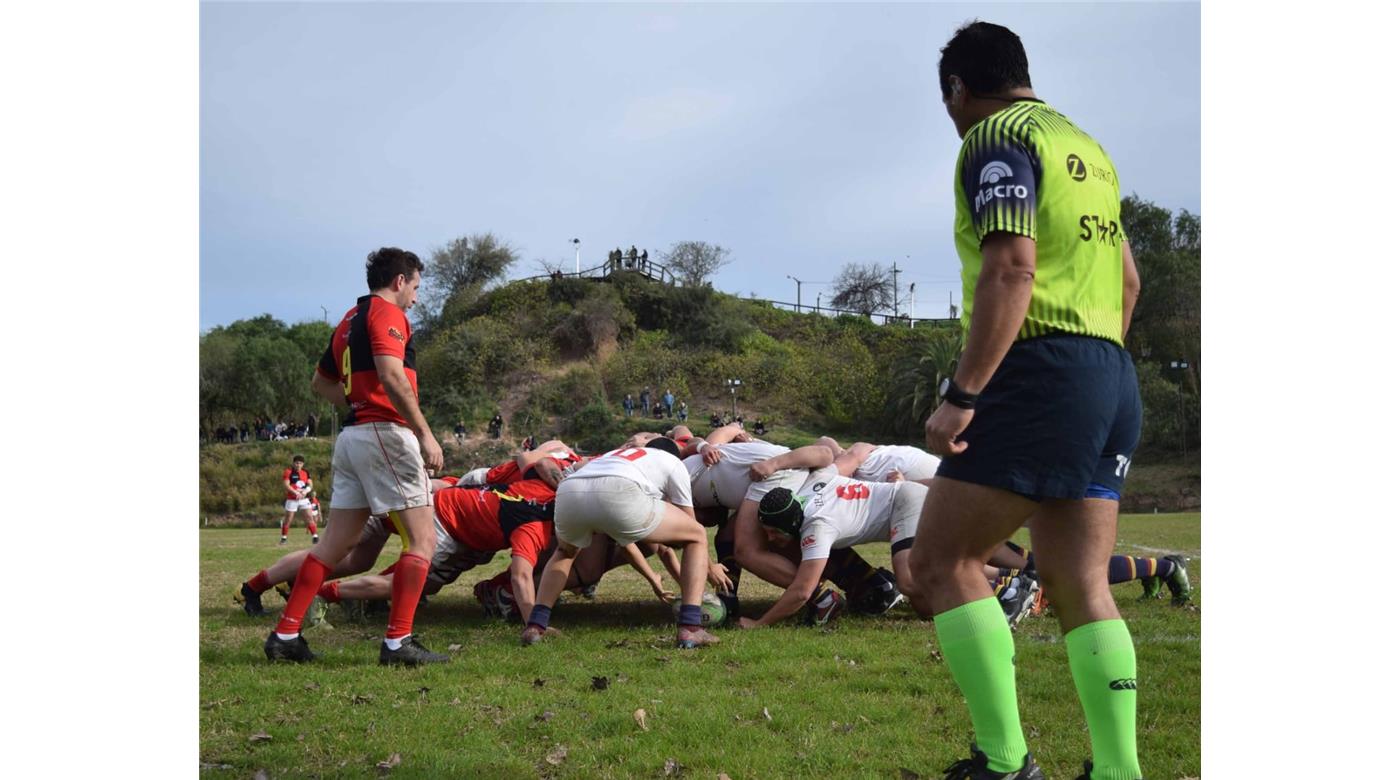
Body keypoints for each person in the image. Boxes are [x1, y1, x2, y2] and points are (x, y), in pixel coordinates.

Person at [909, 23, 1144, 779]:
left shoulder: (993, 137)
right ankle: (1117, 771)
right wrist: (1093, 368)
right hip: (1110, 369)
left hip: (1042, 370)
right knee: (1077, 582)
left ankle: (1004, 762)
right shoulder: (1088, 150)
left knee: (942, 559)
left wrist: (963, 394)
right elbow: (1129, 282)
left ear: (958, 90)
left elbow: (1011, 268)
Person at [265, 246, 449, 666]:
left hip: (353, 438)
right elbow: (391, 374)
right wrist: (424, 433)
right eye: (416, 287)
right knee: (422, 539)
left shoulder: (349, 319)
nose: (416, 298)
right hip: (386, 432)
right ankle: (397, 643)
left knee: (331, 546)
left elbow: (320, 383)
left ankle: (286, 633)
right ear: (399, 281)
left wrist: (354, 404)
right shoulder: (387, 314)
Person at [519, 437, 729, 649]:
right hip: (618, 488)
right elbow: (688, 522)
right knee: (697, 535)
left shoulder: (617, 454)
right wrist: (711, 567)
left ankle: (536, 625)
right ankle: (691, 627)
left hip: (570, 489)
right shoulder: (674, 463)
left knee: (565, 552)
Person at [737, 465, 927, 629]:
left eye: (775, 532)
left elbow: (802, 591)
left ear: (793, 523)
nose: (770, 538)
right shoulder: (810, 483)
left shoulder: (817, 526)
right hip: (908, 494)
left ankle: (953, 601)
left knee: (911, 586)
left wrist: (760, 623)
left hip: (907, 502)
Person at [279, 455, 319, 545]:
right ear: (293, 463)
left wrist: (306, 491)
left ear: (303, 464)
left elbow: (310, 484)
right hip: (292, 499)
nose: (298, 465)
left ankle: (315, 537)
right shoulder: (288, 472)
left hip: (304, 499)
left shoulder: (305, 472)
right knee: (288, 519)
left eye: (300, 463)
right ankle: (284, 538)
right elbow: (286, 484)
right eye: (297, 463)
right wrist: (295, 492)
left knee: (309, 517)